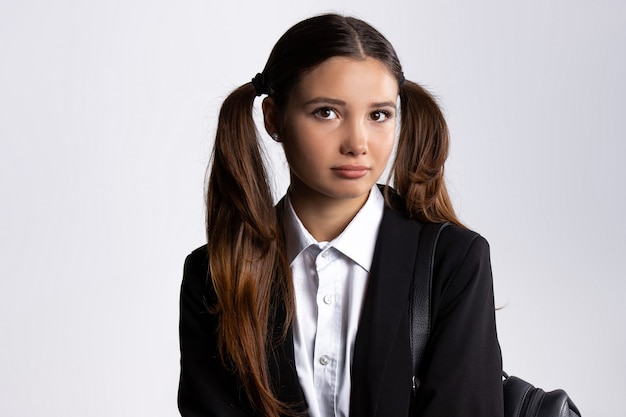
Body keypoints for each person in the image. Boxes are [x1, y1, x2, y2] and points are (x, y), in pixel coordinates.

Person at [178, 13, 503, 417]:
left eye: (378, 115)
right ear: (273, 119)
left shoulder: (454, 261)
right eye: (326, 112)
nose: (357, 143)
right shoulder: (214, 274)